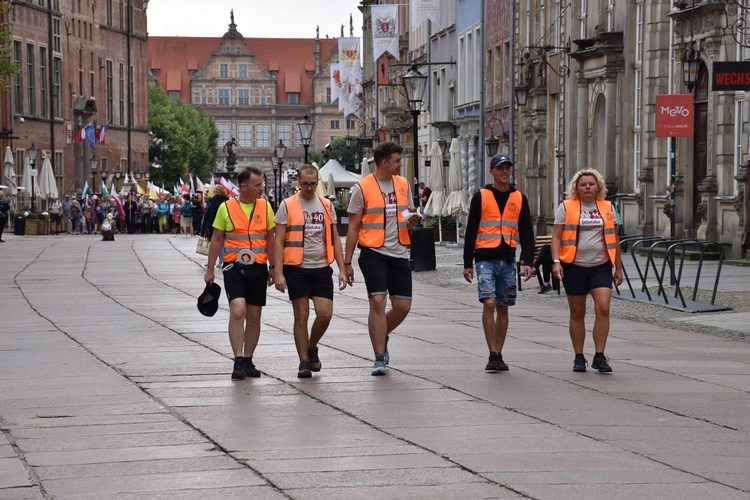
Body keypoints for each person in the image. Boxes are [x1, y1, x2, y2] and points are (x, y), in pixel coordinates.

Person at [344, 142, 421, 376]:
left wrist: (413, 220)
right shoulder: (362, 187)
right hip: (373, 252)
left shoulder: (403, 183)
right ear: (384, 163)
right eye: (397, 161)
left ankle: (381, 333)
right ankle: (379, 357)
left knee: (402, 307)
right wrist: (346, 262)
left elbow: (407, 213)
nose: (400, 164)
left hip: (399, 251)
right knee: (377, 302)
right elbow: (354, 226)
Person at [274, 165, 348, 378]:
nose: (309, 188)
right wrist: (278, 272)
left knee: (325, 314)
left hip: (321, 267)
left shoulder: (326, 205)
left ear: (317, 182)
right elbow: (278, 240)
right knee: (301, 314)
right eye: (305, 184)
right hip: (296, 267)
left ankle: (312, 346)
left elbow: (335, 238)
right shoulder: (287, 205)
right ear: (298, 182)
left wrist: (342, 269)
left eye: (313, 184)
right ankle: (304, 361)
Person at [463, 153, 535, 372]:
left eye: (507, 168)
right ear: (492, 171)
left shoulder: (519, 198)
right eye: (500, 168)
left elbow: (527, 232)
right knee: (490, 302)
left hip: (508, 259)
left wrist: (528, 261)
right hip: (485, 258)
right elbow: (471, 230)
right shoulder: (481, 196)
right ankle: (492, 352)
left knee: (503, 307)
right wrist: (467, 262)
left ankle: (499, 352)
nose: (505, 172)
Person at [204, 167, 275, 380]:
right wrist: (209, 270)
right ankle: (237, 360)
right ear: (243, 187)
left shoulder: (265, 206)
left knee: (254, 316)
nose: (261, 188)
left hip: (259, 267)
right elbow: (217, 239)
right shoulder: (226, 208)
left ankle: (248, 358)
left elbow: (270, 238)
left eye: (262, 184)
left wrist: (274, 267)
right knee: (237, 311)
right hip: (233, 267)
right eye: (257, 185)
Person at [551, 169, 623, 373]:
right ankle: (579, 356)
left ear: (598, 186)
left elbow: (615, 239)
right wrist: (556, 261)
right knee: (577, 312)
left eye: (591, 183)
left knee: (603, 308)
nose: (588, 187)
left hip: (600, 265)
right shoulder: (566, 207)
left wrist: (618, 268)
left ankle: (599, 356)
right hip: (574, 266)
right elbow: (556, 237)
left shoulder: (608, 207)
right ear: (576, 188)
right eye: (583, 184)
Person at [202, 185, 229, 266]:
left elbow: (211, 213)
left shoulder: (214, 200)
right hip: (225, 222)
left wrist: (207, 225)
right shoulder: (227, 199)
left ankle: (213, 261)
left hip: (214, 223)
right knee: (222, 243)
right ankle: (222, 261)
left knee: (213, 242)